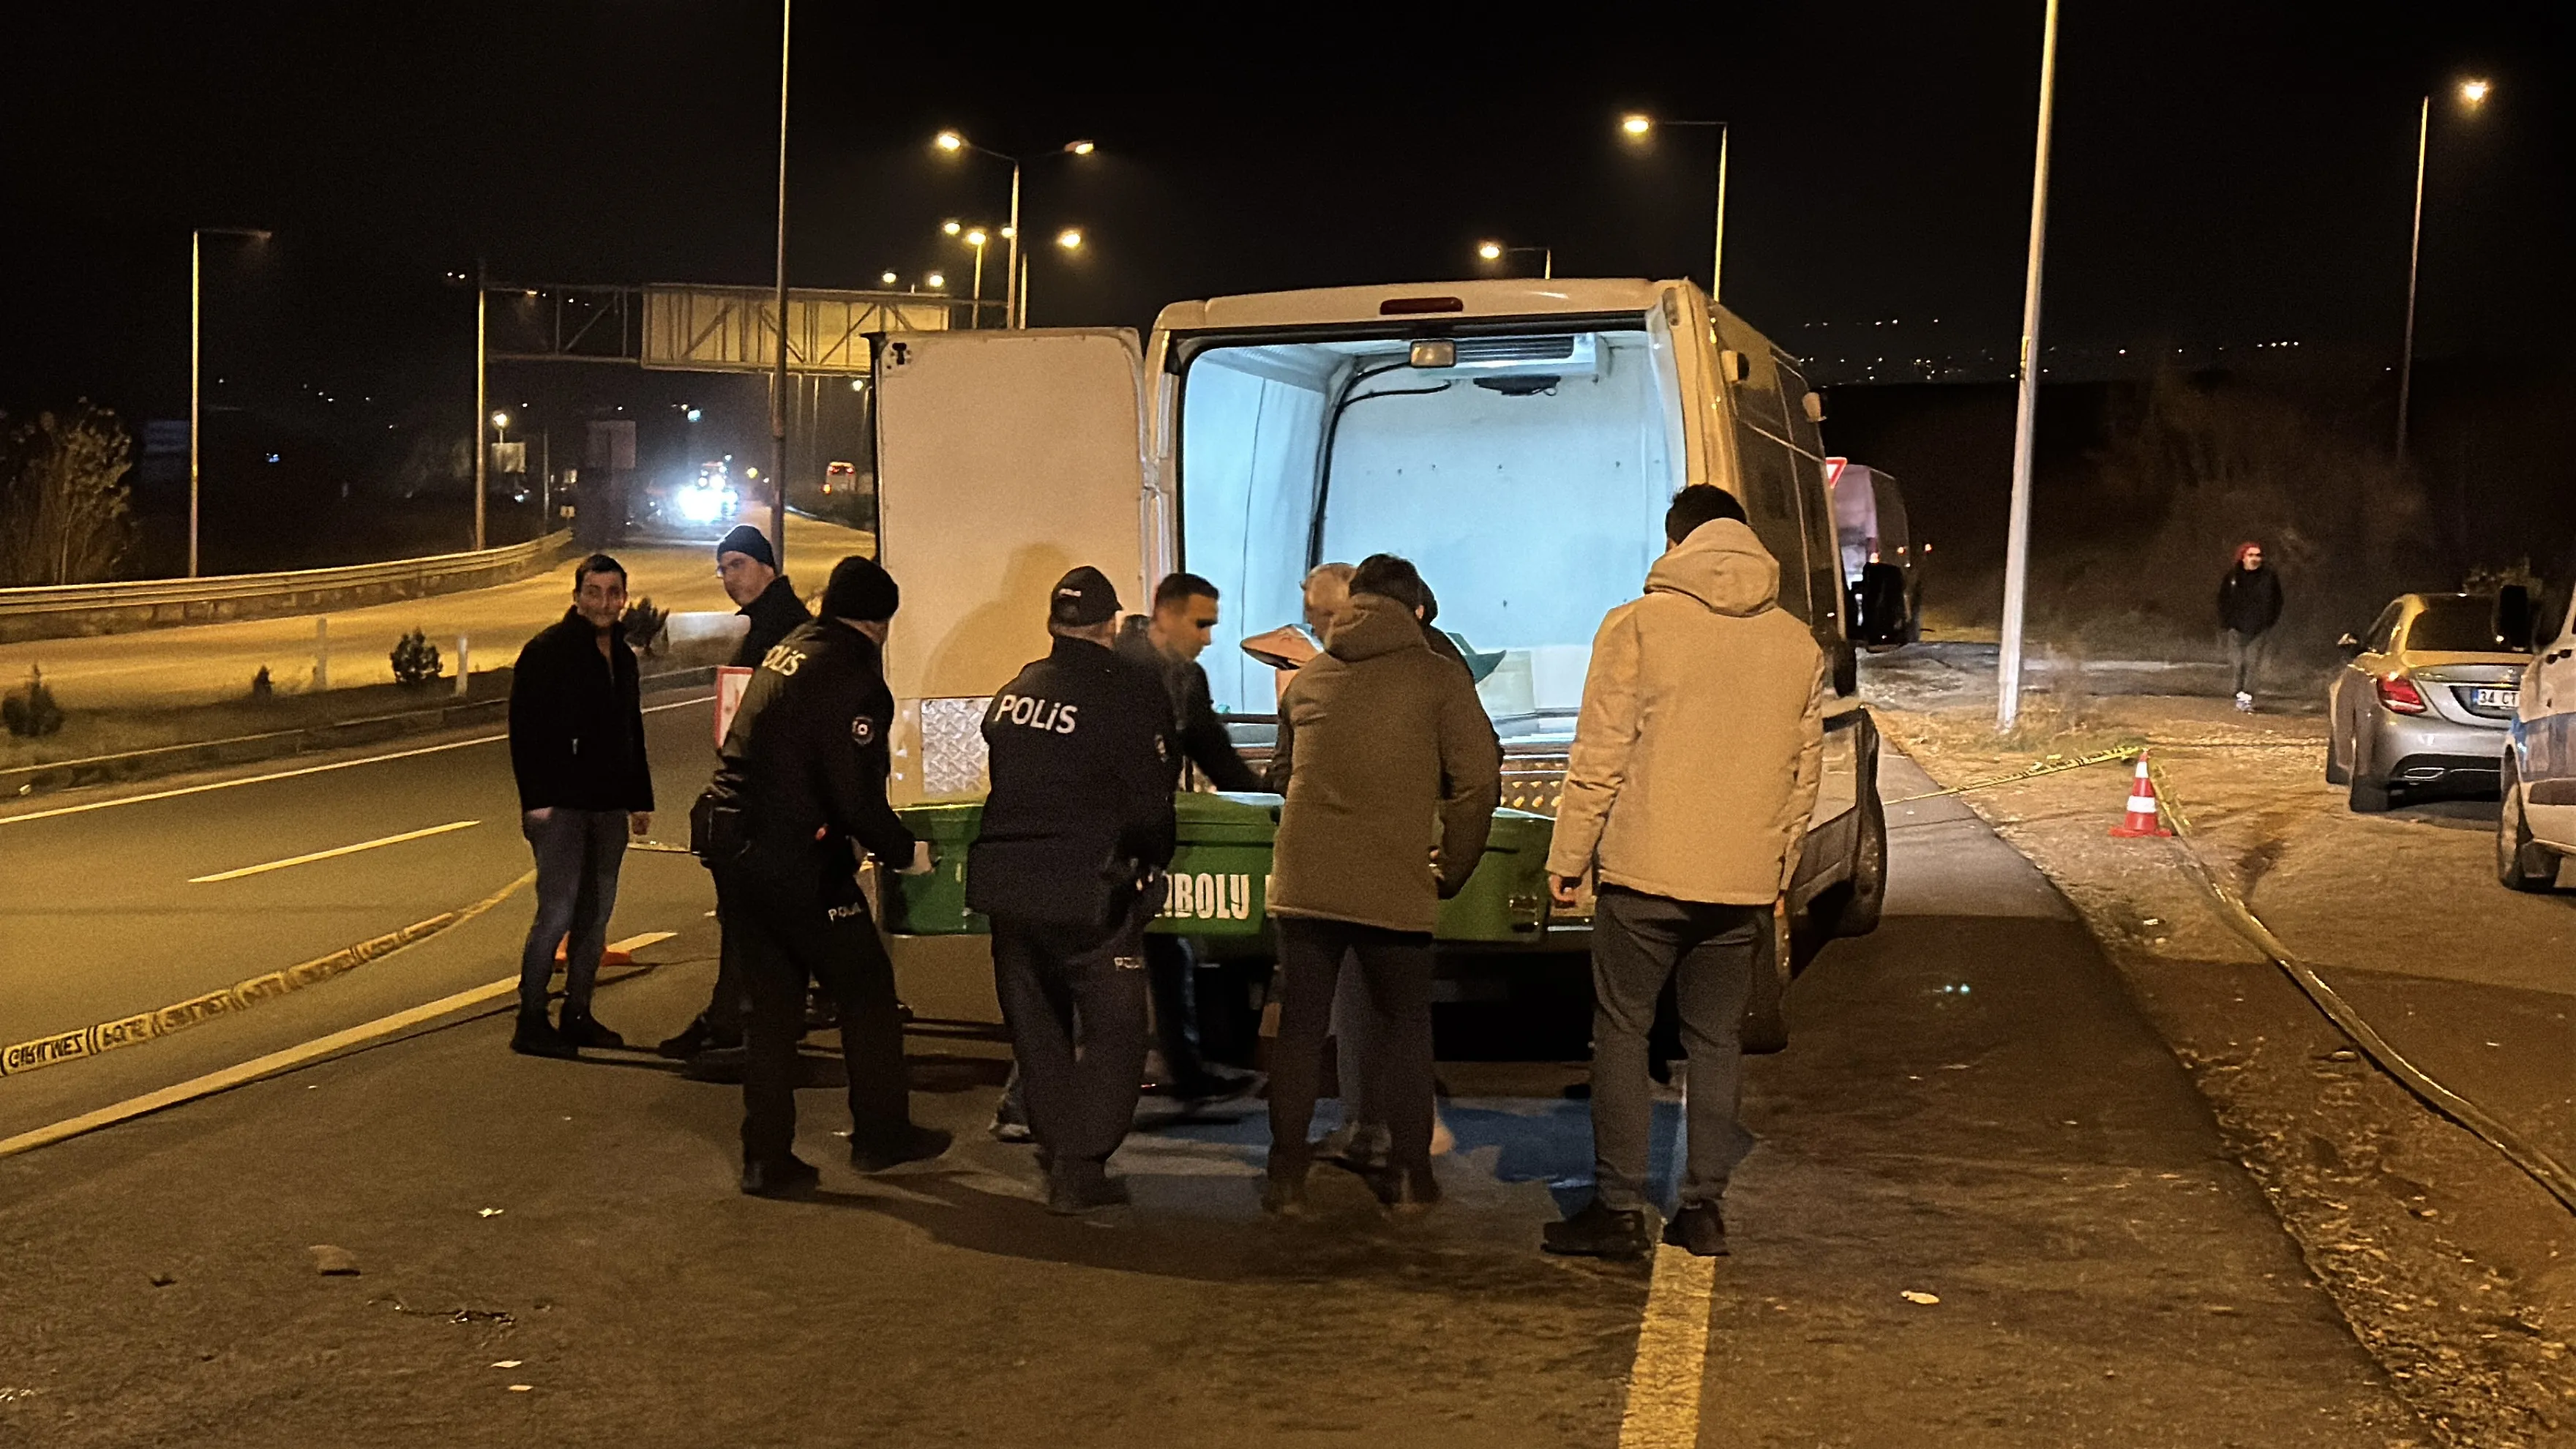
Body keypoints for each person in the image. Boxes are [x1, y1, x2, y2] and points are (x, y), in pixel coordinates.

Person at [1540, 487, 1825, 1259]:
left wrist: (1568, 858)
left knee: (1623, 1034)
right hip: (1739, 885)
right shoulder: (1796, 644)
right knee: (1715, 1043)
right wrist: (1776, 868)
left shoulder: (1637, 626)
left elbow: (1599, 757)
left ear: (1676, 544)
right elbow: (1804, 777)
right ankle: (1701, 1210)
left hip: (1642, 876)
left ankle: (1617, 1209)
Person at [700, 555, 951, 1199]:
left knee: (775, 1007)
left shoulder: (790, 649)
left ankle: (766, 1155)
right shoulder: (855, 678)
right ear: (881, 622)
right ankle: (880, 1135)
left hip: (737, 850)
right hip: (798, 863)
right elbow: (854, 795)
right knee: (866, 989)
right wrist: (905, 853)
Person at [1262, 553, 1501, 1217]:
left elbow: (1280, 776)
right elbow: (1480, 776)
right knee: (1404, 1028)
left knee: (1303, 1031)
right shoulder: (1439, 678)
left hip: (1305, 882)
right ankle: (1408, 1177)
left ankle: (1284, 1180)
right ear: (1413, 606)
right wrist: (1453, 865)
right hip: (1395, 880)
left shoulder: (1308, 680)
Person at [970, 566, 1180, 1214]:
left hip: (1009, 887)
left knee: (1038, 1030)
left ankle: (1062, 1152)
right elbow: (1151, 803)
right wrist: (1152, 862)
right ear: (1110, 624)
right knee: (1117, 1030)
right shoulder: (1129, 692)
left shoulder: (1015, 692)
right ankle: (1083, 1162)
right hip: (1089, 889)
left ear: (1053, 623)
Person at [659, 524, 812, 1063]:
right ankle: (736, 1018)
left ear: (766, 567)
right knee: (752, 918)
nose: (728, 578)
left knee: (752, 917)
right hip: (765, 792)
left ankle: (747, 1025)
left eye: (737, 566)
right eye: (722, 569)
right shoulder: (772, 622)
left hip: (767, 797)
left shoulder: (783, 629)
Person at [1117, 572, 1265, 1104]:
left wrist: (1267, 800)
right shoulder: (1118, 668)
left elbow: (1213, 751)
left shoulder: (1185, 679)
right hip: (1112, 838)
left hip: (1149, 834)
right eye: (1201, 624)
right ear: (1166, 614)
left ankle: (1186, 1068)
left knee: (1168, 947)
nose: (1207, 638)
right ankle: (1031, 1099)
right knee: (1103, 964)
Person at [506, 553, 654, 1059]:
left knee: (595, 916)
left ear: (624, 599)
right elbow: (524, 733)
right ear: (577, 597)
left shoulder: (626, 659)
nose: (604, 603)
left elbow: (630, 731)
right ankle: (530, 1017)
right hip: (562, 806)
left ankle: (578, 1013)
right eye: (594, 592)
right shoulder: (547, 652)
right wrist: (537, 803)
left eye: (614, 593)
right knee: (557, 912)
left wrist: (639, 799)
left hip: (609, 805)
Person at [2217, 541, 2283, 712]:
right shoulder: (2232, 577)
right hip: (2236, 628)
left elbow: (2277, 600)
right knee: (2238, 664)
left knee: (2252, 663)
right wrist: (2227, 622)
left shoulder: (2269, 577)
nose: (2255, 559)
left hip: (2259, 628)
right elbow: (2222, 600)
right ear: (2243, 558)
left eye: (2258, 555)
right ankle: (2238, 692)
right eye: (2251, 555)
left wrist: (2269, 620)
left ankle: (2246, 698)